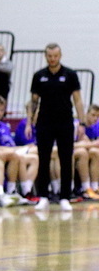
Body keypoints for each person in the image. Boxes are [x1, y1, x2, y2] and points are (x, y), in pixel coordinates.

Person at [30, 43, 85, 211]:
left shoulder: (70, 75)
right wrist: (29, 120)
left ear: (60, 56)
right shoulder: (39, 76)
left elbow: (77, 100)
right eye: (49, 56)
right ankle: (43, 197)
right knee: (44, 159)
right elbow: (33, 101)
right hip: (44, 123)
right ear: (45, 56)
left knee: (66, 159)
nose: (52, 59)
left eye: (55, 56)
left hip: (65, 123)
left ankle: (65, 197)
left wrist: (81, 123)